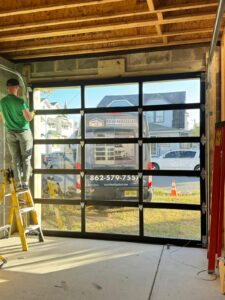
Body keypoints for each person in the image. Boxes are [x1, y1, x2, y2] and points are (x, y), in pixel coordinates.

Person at [0, 78, 34, 190]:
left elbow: (1, 118)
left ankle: (18, 183)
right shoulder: (21, 102)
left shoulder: (2, 102)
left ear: (7, 88)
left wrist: (10, 121)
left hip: (10, 133)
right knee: (26, 158)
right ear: (17, 87)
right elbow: (28, 118)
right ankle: (25, 183)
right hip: (23, 132)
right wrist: (33, 113)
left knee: (15, 158)